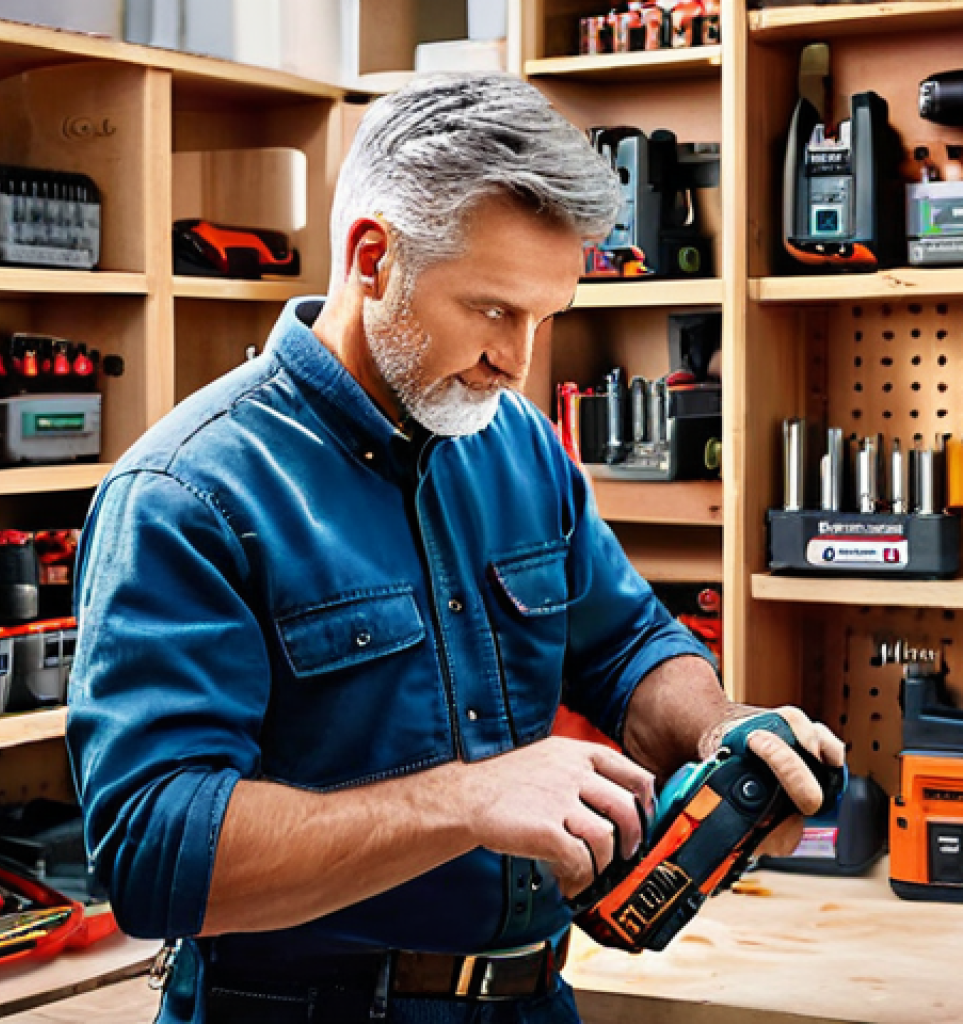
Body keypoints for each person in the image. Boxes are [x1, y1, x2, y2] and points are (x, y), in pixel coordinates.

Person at [67, 72, 844, 1024]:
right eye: (492, 311)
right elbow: (152, 853)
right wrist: (465, 802)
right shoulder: (187, 495)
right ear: (372, 258)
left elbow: (626, 645)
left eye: (545, 317)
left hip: (529, 1000)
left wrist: (721, 728)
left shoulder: (513, 442)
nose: (520, 360)